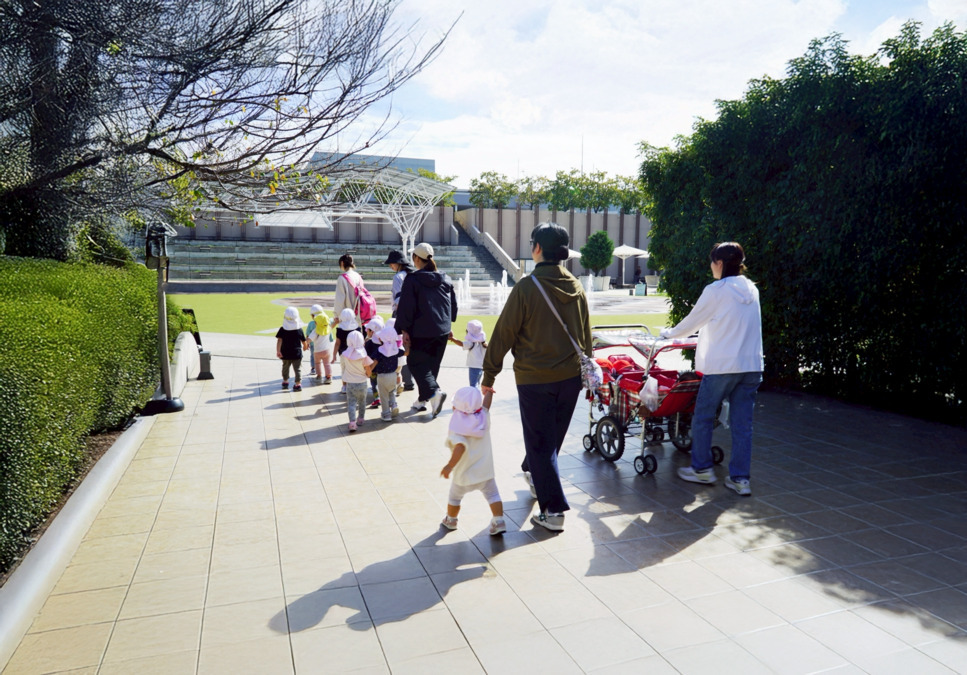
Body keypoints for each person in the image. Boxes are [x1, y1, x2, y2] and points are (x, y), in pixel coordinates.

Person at [482, 222, 591, 532]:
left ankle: (554, 511)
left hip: (535, 378)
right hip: (570, 377)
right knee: (550, 440)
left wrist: (489, 374)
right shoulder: (577, 286)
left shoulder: (528, 287)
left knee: (542, 444)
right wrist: (587, 374)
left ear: (538, 249)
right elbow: (585, 337)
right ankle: (534, 472)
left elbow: (504, 333)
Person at [659, 241, 763, 496]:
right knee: (743, 425)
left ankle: (702, 469)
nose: (711, 267)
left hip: (722, 367)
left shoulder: (716, 290)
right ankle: (740, 479)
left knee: (703, 416)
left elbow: (692, 322)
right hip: (751, 366)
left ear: (719, 263)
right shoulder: (752, 289)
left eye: (712, 262)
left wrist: (668, 335)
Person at [395, 242, 458, 418]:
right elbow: (453, 305)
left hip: (421, 331)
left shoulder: (413, 280)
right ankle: (423, 400)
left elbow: (406, 307)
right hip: (442, 330)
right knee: (431, 366)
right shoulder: (446, 278)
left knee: (415, 363)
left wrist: (403, 329)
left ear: (416, 258)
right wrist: (448, 324)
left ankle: (435, 394)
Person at [440, 386, 505, 536]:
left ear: (456, 407)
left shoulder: (457, 427)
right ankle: (499, 521)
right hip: (485, 473)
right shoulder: (482, 416)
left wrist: (449, 466)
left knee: (454, 498)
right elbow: (486, 406)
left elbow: (460, 448)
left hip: (463, 475)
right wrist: (489, 393)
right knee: (493, 496)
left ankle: (451, 520)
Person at [384, 249, 415, 393]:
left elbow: (398, 298)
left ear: (397, 264)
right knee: (412, 348)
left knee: (401, 346)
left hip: (401, 315)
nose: (391, 266)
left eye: (391, 264)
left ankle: (402, 380)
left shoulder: (398, 277)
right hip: (416, 316)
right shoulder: (413, 274)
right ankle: (410, 381)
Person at [341, 331, 374, 432]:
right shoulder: (363, 356)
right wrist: (369, 375)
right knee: (362, 402)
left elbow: (343, 368)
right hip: (362, 383)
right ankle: (360, 419)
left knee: (351, 403)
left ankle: (352, 423)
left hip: (350, 384)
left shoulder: (345, 355)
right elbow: (368, 371)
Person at [372, 323, 401, 422]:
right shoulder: (396, 349)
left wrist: (368, 370)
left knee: (383, 396)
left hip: (382, 376)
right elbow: (406, 353)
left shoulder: (379, 350)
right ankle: (393, 405)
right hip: (393, 375)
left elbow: (374, 362)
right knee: (392, 391)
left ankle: (386, 414)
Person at [276, 306, 308, 392]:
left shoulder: (282, 329)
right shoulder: (299, 330)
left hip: (285, 353)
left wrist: (278, 351)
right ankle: (298, 384)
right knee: (297, 369)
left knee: (285, 367)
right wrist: (305, 347)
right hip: (296, 353)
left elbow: (279, 340)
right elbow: (304, 341)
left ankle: (285, 381)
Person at [448, 320, 488, 388]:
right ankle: (477, 396)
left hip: (473, 367)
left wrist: (452, 339)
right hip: (481, 367)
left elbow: (461, 344)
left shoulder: (471, 343)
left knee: (473, 385)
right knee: (477, 383)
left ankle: (474, 397)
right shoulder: (484, 343)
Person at [332, 308, 362, 393]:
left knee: (344, 370)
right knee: (355, 369)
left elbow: (337, 343)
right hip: (356, 353)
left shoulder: (340, 329)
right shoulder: (357, 328)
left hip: (343, 353)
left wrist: (334, 355)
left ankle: (344, 386)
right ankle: (354, 385)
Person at [333, 253, 365, 321]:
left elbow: (340, 299)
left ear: (342, 263)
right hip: (359, 314)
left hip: (347, 316)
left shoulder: (342, 278)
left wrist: (337, 315)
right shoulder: (358, 276)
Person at [307, 304, 333, 384]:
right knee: (327, 364)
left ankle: (319, 376)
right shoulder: (328, 328)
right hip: (327, 350)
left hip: (317, 351)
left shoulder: (315, 331)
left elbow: (309, 339)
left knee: (317, 363)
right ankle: (328, 377)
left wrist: (305, 343)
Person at [363, 316, 385, 409]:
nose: (366, 331)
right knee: (383, 384)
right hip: (384, 369)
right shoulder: (385, 342)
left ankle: (377, 398)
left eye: (367, 329)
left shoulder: (369, 344)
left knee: (374, 384)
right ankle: (385, 398)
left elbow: (366, 357)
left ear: (372, 332)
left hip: (373, 369)